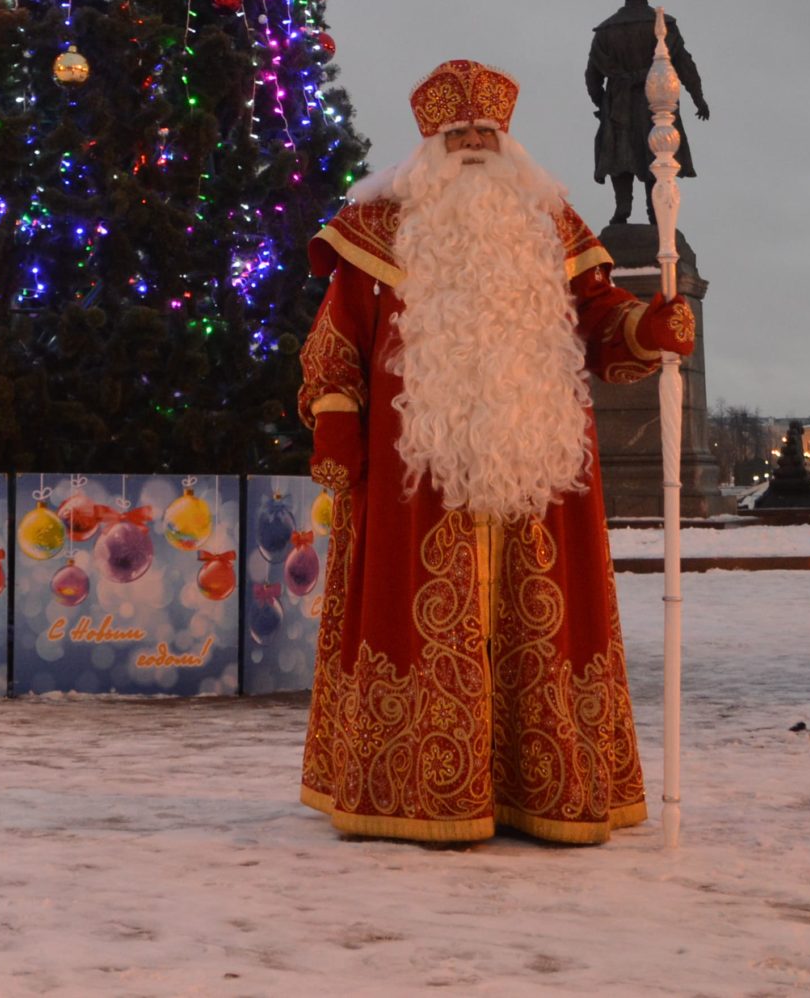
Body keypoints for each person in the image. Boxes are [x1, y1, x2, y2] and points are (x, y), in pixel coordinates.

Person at [297, 58, 697, 846]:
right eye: (460, 133)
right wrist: (336, 417)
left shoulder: (551, 222)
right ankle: (415, 792)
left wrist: (648, 329)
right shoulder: (377, 230)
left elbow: (600, 317)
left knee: (540, 620)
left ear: (507, 140)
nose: (476, 143)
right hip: (418, 475)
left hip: (538, 468)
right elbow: (335, 339)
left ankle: (541, 788)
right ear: (430, 146)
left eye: (487, 131)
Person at [585, 0, 708, 228]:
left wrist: (600, 103)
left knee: (621, 155)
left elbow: (592, 75)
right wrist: (698, 98)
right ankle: (655, 213)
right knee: (656, 153)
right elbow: (685, 65)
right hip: (656, 100)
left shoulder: (606, 31)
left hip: (618, 101)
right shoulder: (664, 25)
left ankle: (622, 207)